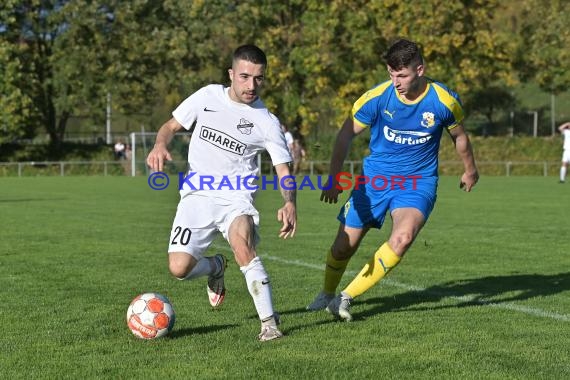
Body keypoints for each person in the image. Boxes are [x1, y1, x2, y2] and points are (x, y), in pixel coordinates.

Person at [306, 38, 479, 321]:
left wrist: (470, 170)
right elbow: (346, 133)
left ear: (420, 70)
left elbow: (459, 137)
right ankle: (326, 292)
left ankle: (344, 298)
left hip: (417, 182)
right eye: (391, 74)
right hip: (376, 180)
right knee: (343, 246)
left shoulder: (443, 101)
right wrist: (334, 177)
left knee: (403, 238)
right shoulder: (377, 98)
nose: (396, 82)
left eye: (402, 75)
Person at [146, 44, 297, 341]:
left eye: (258, 78)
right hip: (197, 196)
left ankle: (269, 323)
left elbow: (283, 169)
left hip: (236, 199)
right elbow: (170, 125)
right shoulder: (207, 96)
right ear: (231, 74)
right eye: (244, 76)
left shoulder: (267, 122)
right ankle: (216, 266)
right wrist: (160, 144)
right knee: (179, 268)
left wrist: (289, 202)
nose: (251, 85)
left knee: (242, 243)